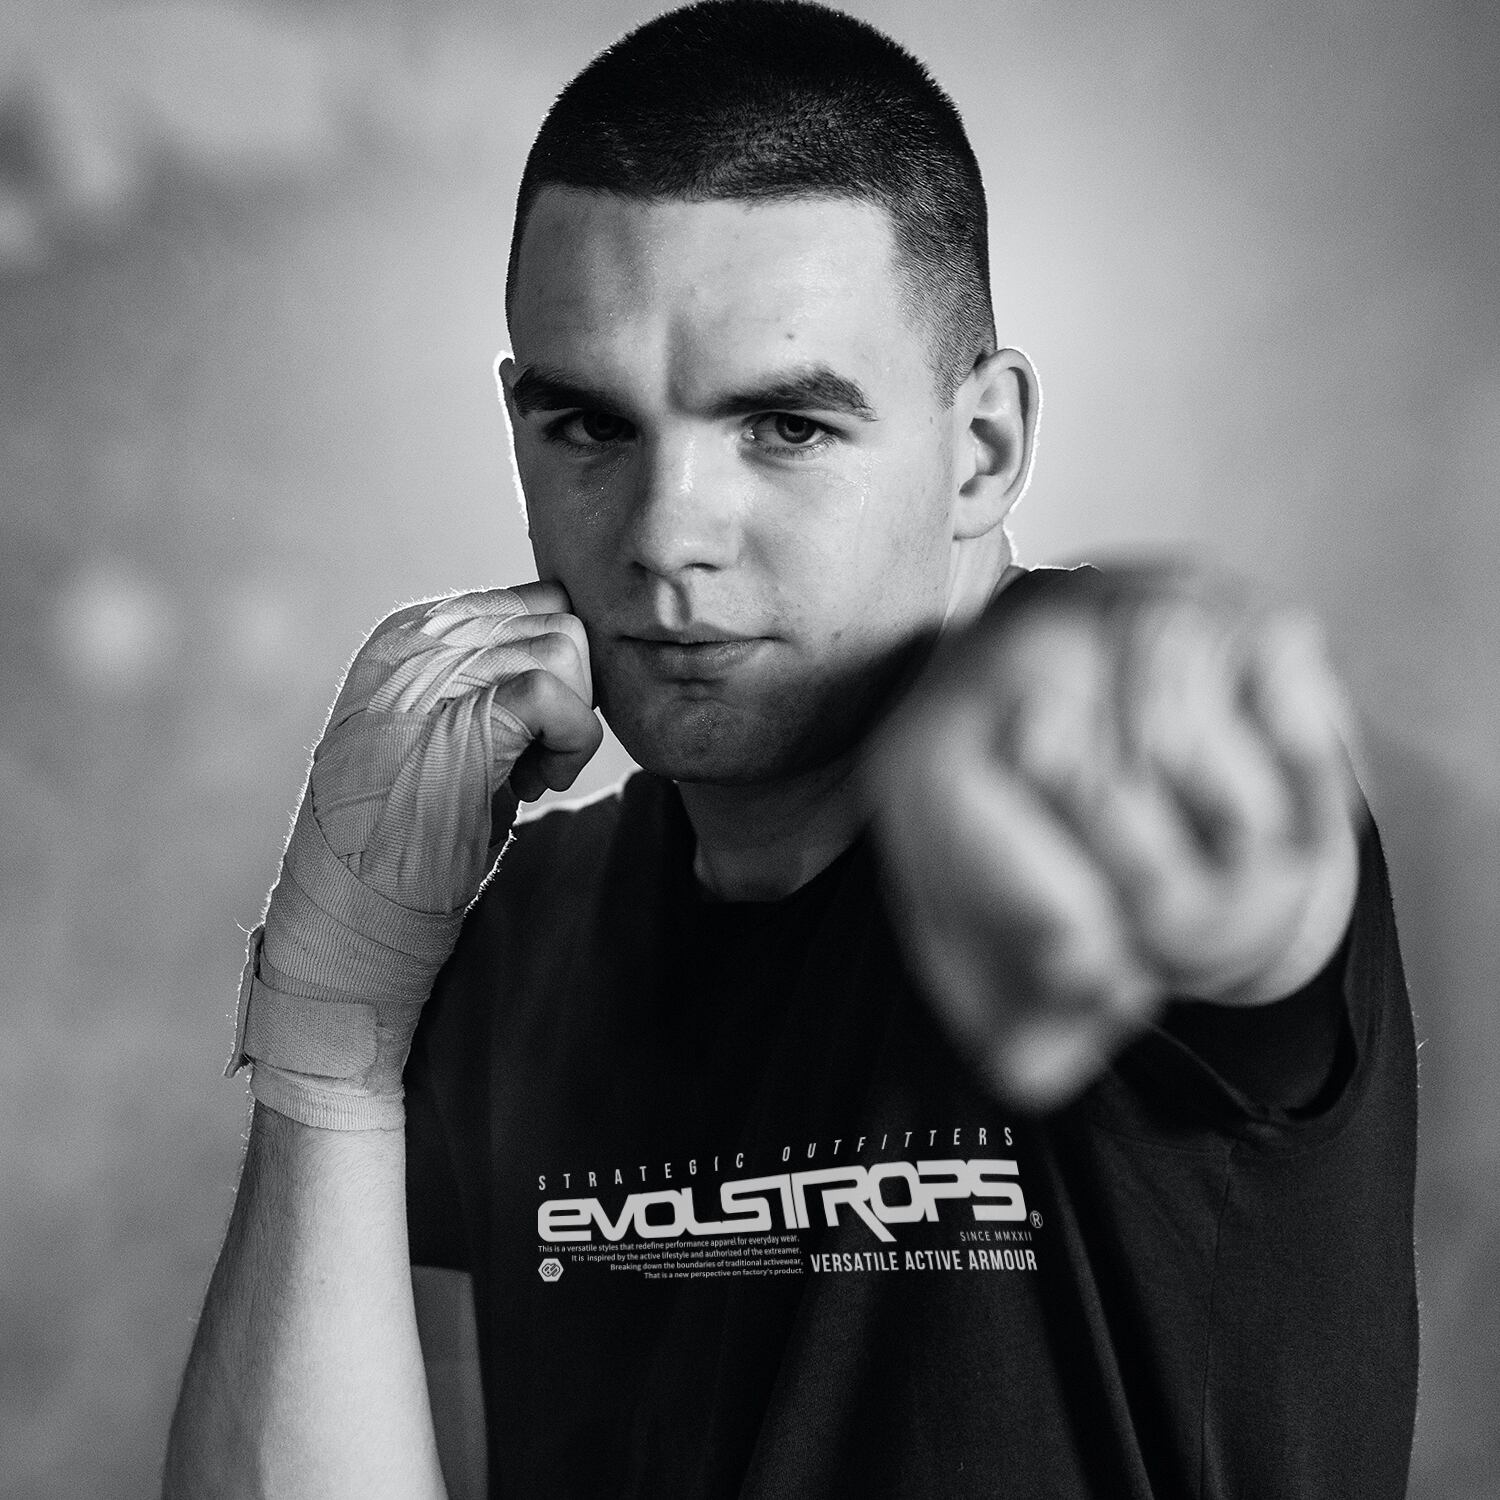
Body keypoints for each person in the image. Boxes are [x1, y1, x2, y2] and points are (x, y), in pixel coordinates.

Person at [164, 3, 1418, 1496]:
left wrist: (1183, 749)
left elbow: (1234, 859)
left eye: (786, 428)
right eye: (590, 427)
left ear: (984, 450)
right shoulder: (515, 938)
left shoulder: (1101, 807)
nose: (665, 535)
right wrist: (333, 1018)